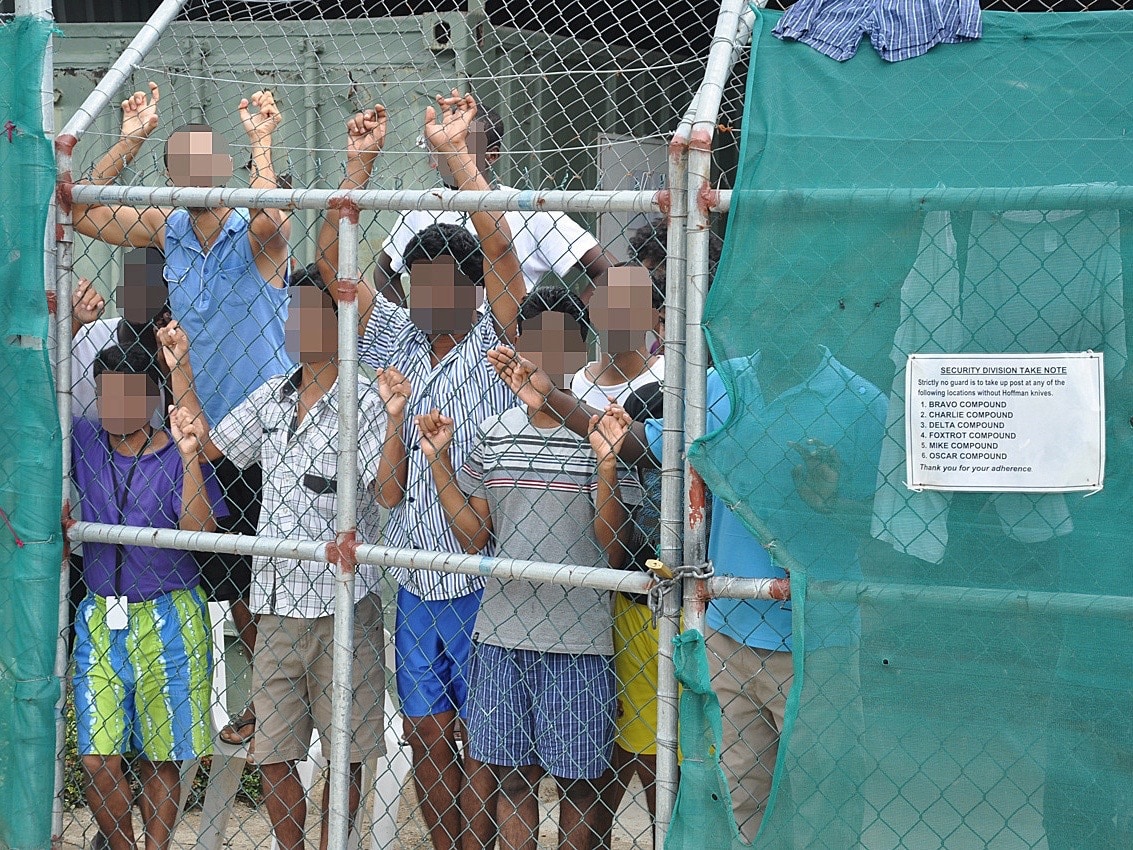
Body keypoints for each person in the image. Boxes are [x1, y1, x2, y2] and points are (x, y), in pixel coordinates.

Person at [486, 333, 885, 844]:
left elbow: (886, 528)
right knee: (738, 802)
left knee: (822, 803)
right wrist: (550, 398)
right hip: (727, 634)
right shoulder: (722, 386)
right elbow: (640, 445)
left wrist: (830, 502)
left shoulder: (861, 402)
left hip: (815, 638)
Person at [316, 94, 526, 850]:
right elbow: (333, 271)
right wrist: (359, 167)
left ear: (470, 291)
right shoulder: (399, 338)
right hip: (414, 581)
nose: (434, 294)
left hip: (483, 581)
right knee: (426, 733)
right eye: (421, 280)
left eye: (449, 282)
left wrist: (457, 157)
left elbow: (500, 251)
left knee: (485, 742)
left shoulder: (500, 341)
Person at [72, 83, 295, 745]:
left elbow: (273, 220)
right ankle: (249, 701)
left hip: (262, 430)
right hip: (199, 430)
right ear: (172, 175)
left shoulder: (250, 228)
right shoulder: (167, 226)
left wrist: (262, 142)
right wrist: (131, 137)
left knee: (274, 577)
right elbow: (80, 204)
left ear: (223, 166)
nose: (197, 172)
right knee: (222, 578)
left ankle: (275, 704)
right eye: (183, 162)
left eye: (208, 160)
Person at [172, 270, 406, 850]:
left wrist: (399, 421)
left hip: (344, 606)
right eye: (291, 313)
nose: (298, 325)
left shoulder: (368, 403)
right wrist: (179, 367)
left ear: (338, 322)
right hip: (276, 603)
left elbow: (391, 493)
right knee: (272, 750)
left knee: (346, 752)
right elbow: (210, 442)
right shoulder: (273, 398)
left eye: (311, 314)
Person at [415, 298, 637, 850]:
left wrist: (606, 465)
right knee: (512, 780)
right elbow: (473, 536)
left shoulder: (599, 431)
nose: (546, 355)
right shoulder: (494, 431)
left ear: (578, 350)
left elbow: (613, 550)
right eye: (535, 341)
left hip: (580, 639)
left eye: (561, 342)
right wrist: (439, 460)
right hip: (500, 636)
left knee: (580, 786)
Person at [71, 338, 226, 850]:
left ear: (152, 398)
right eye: (105, 394)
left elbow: (200, 531)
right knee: (98, 756)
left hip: (171, 615)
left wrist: (188, 460)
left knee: (162, 753)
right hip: (101, 615)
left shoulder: (180, 450)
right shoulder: (83, 439)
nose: (114, 408)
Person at [374, 100, 613, 305]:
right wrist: (406, 325)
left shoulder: (528, 211)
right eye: (441, 146)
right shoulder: (425, 206)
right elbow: (385, 271)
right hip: (442, 344)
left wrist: (572, 321)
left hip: (503, 342)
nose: (450, 156)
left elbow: (609, 272)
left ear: (492, 154)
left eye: (460, 146)